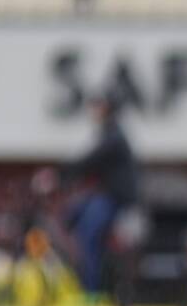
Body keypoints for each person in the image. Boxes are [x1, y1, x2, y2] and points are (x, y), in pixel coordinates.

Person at [56, 93, 141, 294]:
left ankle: (91, 291)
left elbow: (90, 160)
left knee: (88, 236)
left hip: (117, 198)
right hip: (106, 195)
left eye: (98, 107)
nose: (94, 112)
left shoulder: (114, 136)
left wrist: (59, 173)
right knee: (72, 213)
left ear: (108, 109)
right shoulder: (107, 133)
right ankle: (84, 269)